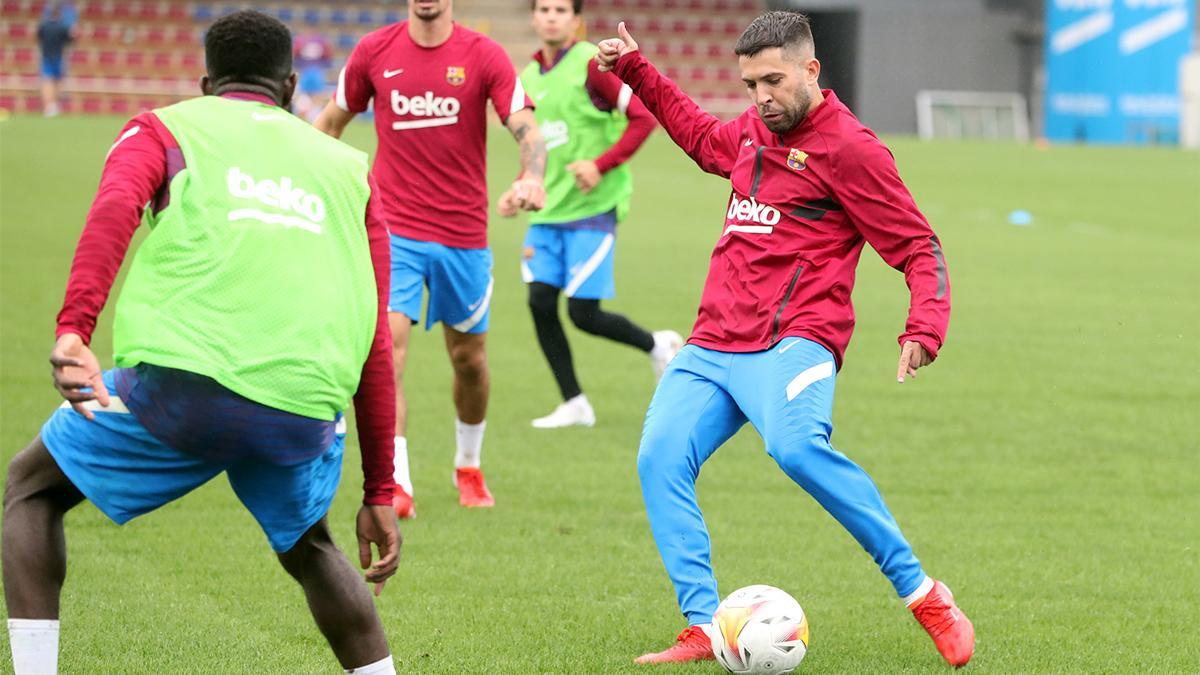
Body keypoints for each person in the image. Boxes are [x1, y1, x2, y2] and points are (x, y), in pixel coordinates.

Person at [3, 11, 401, 674]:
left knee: (30, 488)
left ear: (206, 80)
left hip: (183, 389)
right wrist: (380, 490)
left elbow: (113, 211)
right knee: (311, 546)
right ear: (290, 84)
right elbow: (376, 342)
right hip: (300, 406)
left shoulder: (165, 126)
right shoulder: (349, 169)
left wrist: (74, 330)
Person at [595, 12, 975, 667]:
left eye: (773, 80)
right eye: (750, 84)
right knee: (658, 458)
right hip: (714, 342)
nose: (761, 97)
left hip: (796, 340)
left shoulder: (852, 149)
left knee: (797, 448)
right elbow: (697, 133)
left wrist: (924, 326)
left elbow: (918, 245)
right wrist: (634, 67)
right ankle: (706, 626)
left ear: (810, 70)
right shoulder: (751, 131)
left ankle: (923, 593)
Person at [314, 0, 547, 518]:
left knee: (468, 360)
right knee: (388, 351)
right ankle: (395, 481)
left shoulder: (483, 55)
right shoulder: (373, 51)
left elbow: (527, 128)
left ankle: (468, 464)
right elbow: (329, 124)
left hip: (463, 235)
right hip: (392, 229)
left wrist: (531, 175)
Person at [497, 0, 681, 429]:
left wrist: (600, 165)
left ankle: (657, 344)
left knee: (583, 313)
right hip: (548, 211)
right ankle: (574, 402)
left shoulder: (592, 64)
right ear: (533, 18)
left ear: (575, 19)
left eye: (561, 9)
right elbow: (535, 147)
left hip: (594, 209)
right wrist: (521, 185)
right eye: (543, 8)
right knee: (540, 300)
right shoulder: (525, 79)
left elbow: (642, 118)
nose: (551, 16)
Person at [37, 2, 76, 117]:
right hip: (58, 57)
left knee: (47, 81)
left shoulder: (44, 26)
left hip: (46, 56)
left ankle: (48, 106)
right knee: (57, 82)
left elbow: (39, 38)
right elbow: (70, 41)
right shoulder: (62, 28)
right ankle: (54, 105)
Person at [293, 31, 335, 122]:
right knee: (313, 95)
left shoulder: (302, 41)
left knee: (310, 95)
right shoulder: (320, 41)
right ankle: (311, 114)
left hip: (311, 71)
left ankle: (308, 113)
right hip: (313, 71)